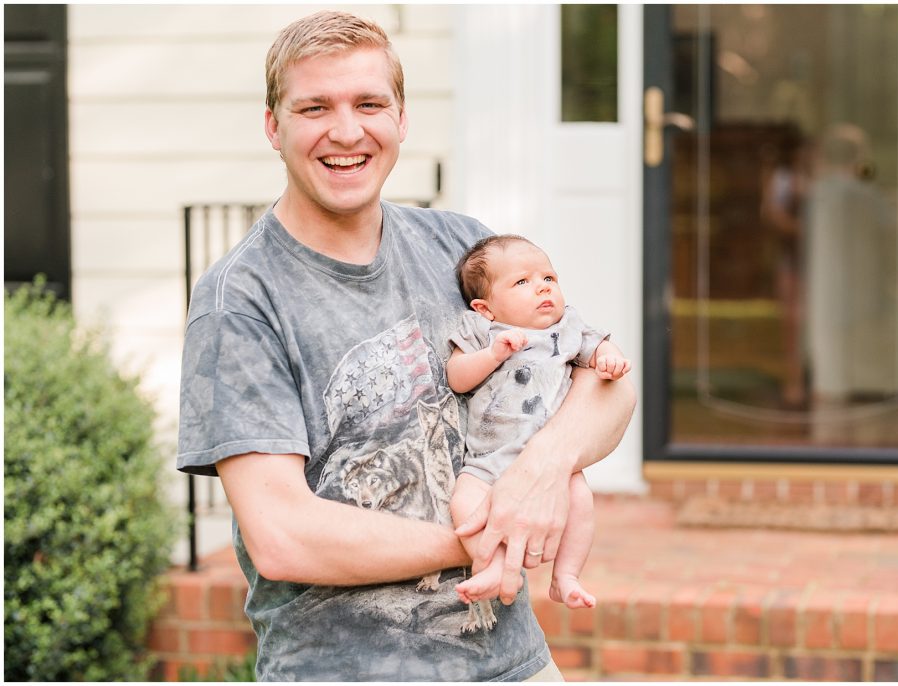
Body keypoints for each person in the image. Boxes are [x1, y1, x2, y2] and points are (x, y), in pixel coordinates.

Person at [176, 10, 635, 682]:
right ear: (274, 126)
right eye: (315, 107)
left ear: (401, 118)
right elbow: (282, 535)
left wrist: (540, 472)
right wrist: (489, 532)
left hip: (515, 665)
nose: (347, 131)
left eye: (369, 103)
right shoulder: (241, 300)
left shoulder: (462, 249)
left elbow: (609, 383)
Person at [446, 235, 631, 619]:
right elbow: (457, 377)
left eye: (548, 277)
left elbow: (597, 347)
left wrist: (610, 359)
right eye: (522, 283)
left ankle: (566, 576)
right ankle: (493, 567)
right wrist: (492, 355)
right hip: (488, 458)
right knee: (465, 504)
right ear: (485, 308)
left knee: (581, 503)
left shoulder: (566, 328)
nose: (543, 287)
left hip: (552, 455)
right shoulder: (482, 331)